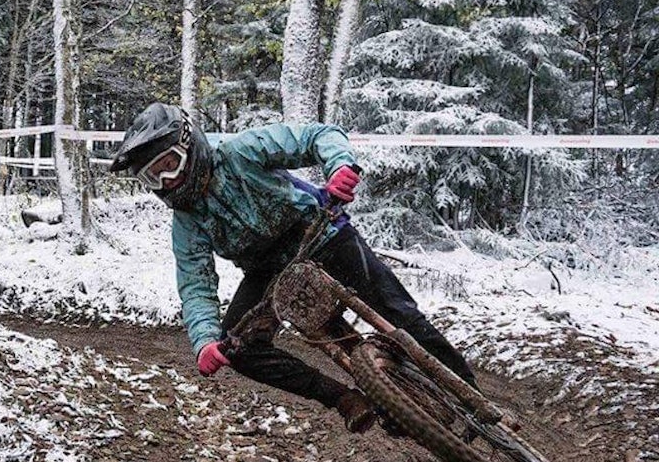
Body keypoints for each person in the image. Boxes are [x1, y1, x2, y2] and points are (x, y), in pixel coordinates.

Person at [109, 102, 477, 433]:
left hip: (320, 233)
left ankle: (471, 397)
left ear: (190, 145)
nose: (168, 181)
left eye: (169, 164)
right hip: (267, 270)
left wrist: (341, 166)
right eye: (152, 177)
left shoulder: (241, 152)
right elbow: (195, 284)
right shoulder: (186, 222)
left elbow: (317, 136)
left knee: (399, 314)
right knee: (240, 348)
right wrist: (204, 340)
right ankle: (345, 399)